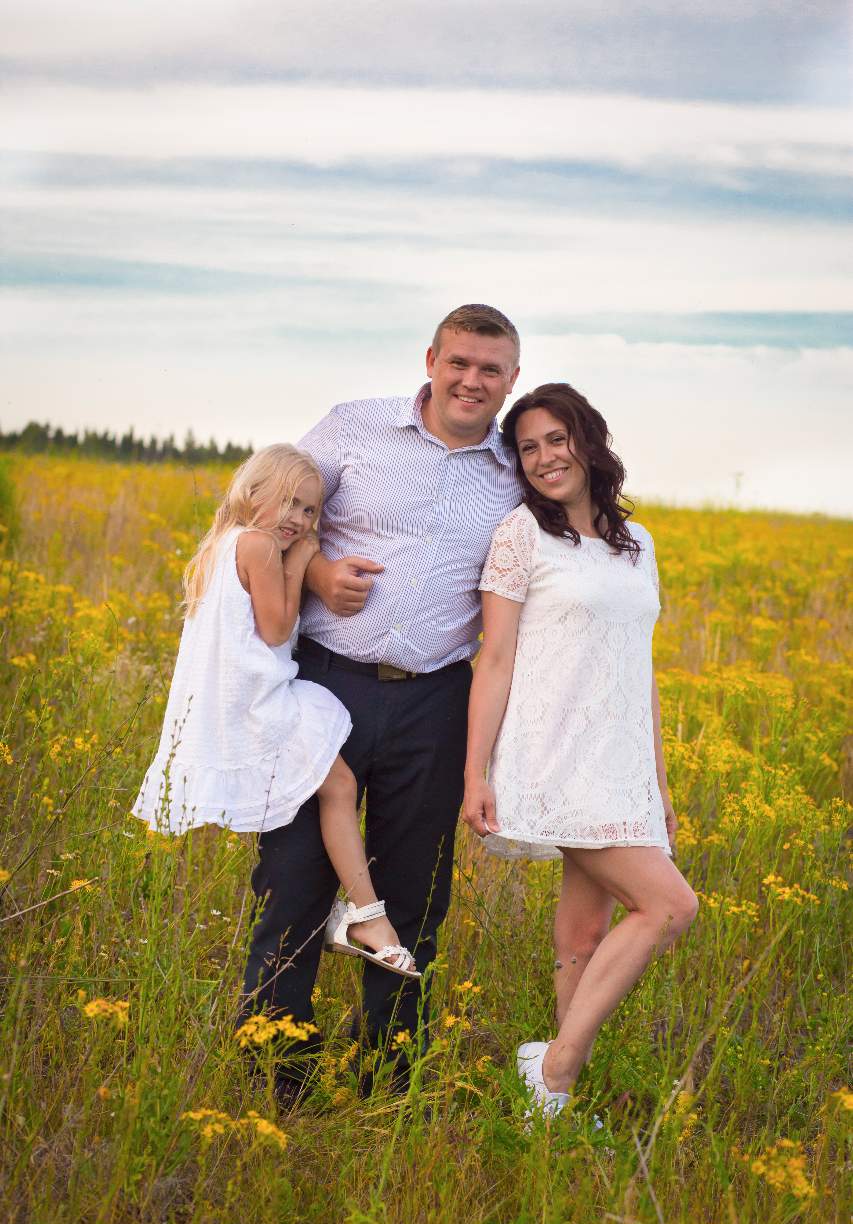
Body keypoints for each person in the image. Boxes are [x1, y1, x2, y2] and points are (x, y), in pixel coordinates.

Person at [239, 304, 523, 1083]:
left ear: (511, 380)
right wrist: (319, 572)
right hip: (325, 681)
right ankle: (274, 1071)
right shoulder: (352, 426)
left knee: (414, 893)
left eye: (489, 369)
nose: (470, 380)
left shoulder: (514, 471)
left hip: (436, 700)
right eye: (457, 362)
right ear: (430, 360)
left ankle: (390, 1073)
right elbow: (270, 512)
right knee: (294, 878)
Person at [462, 383, 698, 1117]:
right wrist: (475, 772)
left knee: (585, 932)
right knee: (669, 906)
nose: (543, 458)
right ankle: (556, 1070)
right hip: (554, 757)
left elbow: (637, 666)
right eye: (528, 447)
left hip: (618, 763)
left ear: (587, 441)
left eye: (556, 440)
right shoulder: (520, 536)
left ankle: (555, 1108)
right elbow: (494, 659)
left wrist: (656, 780)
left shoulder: (638, 543)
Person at [132, 444, 418, 978]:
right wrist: (304, 560)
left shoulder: (223, 542)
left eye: (310, 510)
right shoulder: (260, 546)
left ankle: (358, 915)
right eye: (290, 502)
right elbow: (276, 628)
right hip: (259, 704)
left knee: (333, 789)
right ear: (254, 492)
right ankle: (366, 917)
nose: (299, 520)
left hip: (236, 704)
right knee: (340, 787)